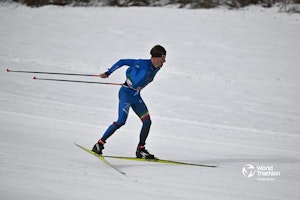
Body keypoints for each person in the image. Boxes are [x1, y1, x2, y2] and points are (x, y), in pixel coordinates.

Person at [92, 45, 167, 159]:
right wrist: (108, 73)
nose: (165, 61)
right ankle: (99, 144)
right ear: (156, 58)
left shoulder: (157, 67)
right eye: (163, 58)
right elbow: (122, 62)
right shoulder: (142, 64)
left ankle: (140, 149)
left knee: (147, 122)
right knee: (121, 121)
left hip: (136, 96)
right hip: (126, 94)